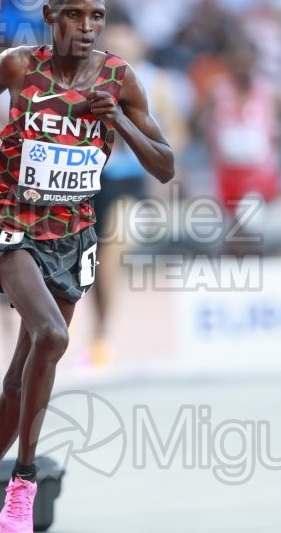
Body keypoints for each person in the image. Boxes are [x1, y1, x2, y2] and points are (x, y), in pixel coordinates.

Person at [0, 0, 174, 532]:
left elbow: (166, 167)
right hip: (12, 225)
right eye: (75, 14)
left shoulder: (120, 78)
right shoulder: (20, 67)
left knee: (20, 376)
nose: (87, 26)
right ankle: (23, 484)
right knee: (53, 335)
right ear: (51, 18)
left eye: (96, 17)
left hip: (73, 236)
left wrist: (118, 118)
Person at [88, 21, 187, 366]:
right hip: (92, 179)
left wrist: (166, 175)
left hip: (133, 181)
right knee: (96, 262)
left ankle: (103, 334)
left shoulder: (156, 83)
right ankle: (98, 325)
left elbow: (176, 131)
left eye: (126, 46)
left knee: (114, 247)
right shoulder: (91, 78)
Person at [205, 34, 281, 255]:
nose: (242, 67)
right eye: (237, 61)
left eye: (246, 61)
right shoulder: (218, 91)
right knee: (233, 228)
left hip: (258, 175)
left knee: (247, 223)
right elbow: (198, 122)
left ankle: (251, 271)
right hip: (227, 173)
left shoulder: (268, 92)